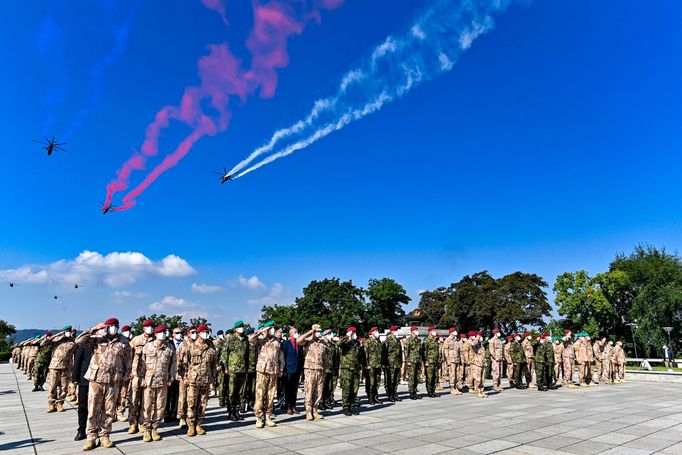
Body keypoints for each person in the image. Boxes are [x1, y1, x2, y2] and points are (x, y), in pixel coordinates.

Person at [76, 318, 132, 451]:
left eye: (114, 326)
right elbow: (78, 341)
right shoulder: (97, 338)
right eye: (110, 326)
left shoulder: (124, 342)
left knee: (109, 410)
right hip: (97, 379)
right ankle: (91, 437)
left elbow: (128, 361)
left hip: (114, 381)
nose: (112, 328)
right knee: (93, 409)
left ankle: (104, 436)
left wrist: (124, 377)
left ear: (118, 327)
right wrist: (94, 329)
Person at [186, 324, 217, 437]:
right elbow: (184, 363)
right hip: (193, 379)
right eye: (204, 331)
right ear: (199, 333)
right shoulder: (191, 346)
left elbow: (214, 363)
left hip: (206, 379)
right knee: (191, 403)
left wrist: (213, 377)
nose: (206, 334)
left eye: (207, 332)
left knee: (203, 403)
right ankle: (190, 425)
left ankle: (198, 424)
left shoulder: (211, 346)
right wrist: (185, 377)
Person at [252, 321, 284, 428]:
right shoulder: (260, 340)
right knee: (260, 395)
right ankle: (259, 418)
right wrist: (259, 332)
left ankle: (268, 416)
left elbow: (280, 356)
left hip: (273, 371)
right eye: (270, 328)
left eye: (273, 328)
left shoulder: (276, 341)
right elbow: (251, 340)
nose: (272, 329)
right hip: (262, 371)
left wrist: (281, 368)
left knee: (270, 395)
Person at [128, 319, 155, 434]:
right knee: (134, 400)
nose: (150, 328)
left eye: (151, 326)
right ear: (143, 328)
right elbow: (128, 355)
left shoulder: (156, 340)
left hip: (150, 376)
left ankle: (143, 423)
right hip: (136, 375)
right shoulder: (136, 340)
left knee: (146, 402)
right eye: (147, 326)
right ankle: (133, 423)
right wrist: (129, 371)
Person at [297, 324, 327, 420]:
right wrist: (310, 332)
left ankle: (315, 410)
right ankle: (309, 411)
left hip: (320, 369)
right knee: (309, 391)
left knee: (318, 392)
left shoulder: (322, 342)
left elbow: (325, 357)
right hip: (310, 370)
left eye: (319, 331)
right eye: (317, 331)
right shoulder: (307, 342)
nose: (319, 332)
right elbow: (299, 340)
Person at [222, 320, 249, 421]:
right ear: (235, 329)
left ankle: (237, 411)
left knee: (240, 392)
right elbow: (225, 354)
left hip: (242, 369)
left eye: (243, 327)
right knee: (232, 392)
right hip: (232, 369)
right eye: (240, 327)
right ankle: (231, 411)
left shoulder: (245, 339)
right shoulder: (230, 339)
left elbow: (247, 354)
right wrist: (225, 368)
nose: (242, 328)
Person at [45, 326, 76, 413]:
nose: (67, 332)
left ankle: (60, 404)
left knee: (64, 388)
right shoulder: (57, 340)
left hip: (66, 367)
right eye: (65, 331)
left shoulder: (73, 341)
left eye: (68, 331)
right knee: (52, 386)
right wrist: (57, 335)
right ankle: (51, 404)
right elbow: (43, 343)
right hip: (54, 366)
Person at [71, 335, 94, 441]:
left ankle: (94, 429)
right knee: (82, 406)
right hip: (84, 380)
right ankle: (81, 429)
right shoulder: (83, 347)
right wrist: (75, 378)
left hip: (99, 380)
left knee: (95, 407)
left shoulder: (102, 346)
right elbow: (77, 363)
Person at [337, 326, 362, 415]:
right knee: (346, 388)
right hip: (347, 369)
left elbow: (360, 355)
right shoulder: (346, 343)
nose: (355, 334)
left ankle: (352, 406)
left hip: (355, 368)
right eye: (353, 333)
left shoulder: (357, 343)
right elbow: (339, 343)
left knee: (354, 389)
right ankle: (345, 407)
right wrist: (347, 336)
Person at [281, 326, 304, 415]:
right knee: (288, 389)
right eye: (294, 332)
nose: (296, 334)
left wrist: (301, 369)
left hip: (297, 369)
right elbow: (283, 357)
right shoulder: (285, 343)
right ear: (290, 334)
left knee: (294, 389)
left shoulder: (299, 343)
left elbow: (301, 357)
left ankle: (293, 406)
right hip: (289, 370)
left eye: (297, 332)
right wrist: (284, 370)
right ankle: (288, 407)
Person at [176, 326, 195, 428]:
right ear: (188, 333)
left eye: (196, 332)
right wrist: (179, 374)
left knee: (192, 398)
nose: (194, 334)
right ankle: (182, 417)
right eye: (192, 332)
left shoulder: (197, 344)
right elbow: (178, 361)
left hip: (195, 376)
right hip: (184, 375)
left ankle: (190, 417)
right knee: (182, 397)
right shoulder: (183, 345)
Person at [164, 326, 183, 424]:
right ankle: (166, 414)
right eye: (177, 332)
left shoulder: (183, 344)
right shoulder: (168, 344)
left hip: (179, 373)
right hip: (169, 373)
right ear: (173, 334)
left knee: (177, 394)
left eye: (180, 332)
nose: (179, 334)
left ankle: (174, 413)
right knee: (168, 394)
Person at [116, 325, 133, 422]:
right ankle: (113, 413)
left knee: (123, 393)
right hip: (115, 372)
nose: (128, 332)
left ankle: (120, 412)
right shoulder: (119, 341)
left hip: (126, 372)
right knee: (113, 394)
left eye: (129, 331)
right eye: (126, 331)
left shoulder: (131, 341)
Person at [363, 326, 383, 404]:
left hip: (378, 365)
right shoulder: (368, 342)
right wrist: (366, 365)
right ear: (372, 332)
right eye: (376, 331)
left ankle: (375, 397)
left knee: (377, 382)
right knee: (370, 382)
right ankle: (370, 397)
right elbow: (365, 355)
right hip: (370, 366)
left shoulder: (378, 342)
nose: (377, 332)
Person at [383, 326, 403, 401]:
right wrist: (385, 363)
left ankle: (395, 393)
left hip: (397, 363)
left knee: (396, 379)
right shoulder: (387, 340)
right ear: (392, 331)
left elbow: (400, 352)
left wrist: (400, 361)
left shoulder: (397, 340)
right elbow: (385, 352)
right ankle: (390, 394)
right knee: (390, 380)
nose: (396, 331)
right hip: (390, 363)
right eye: (395, 330)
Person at [404, 325, 423, 400]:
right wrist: (407, 361)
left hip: (418, 361)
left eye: (417, 330)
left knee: (417, 377)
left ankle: (415, 391)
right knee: (412, 377)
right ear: (412, 331)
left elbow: (420, 351)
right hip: (412, 361)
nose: (417, 331)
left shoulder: (418, 340)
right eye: (415, 330)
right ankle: (411, 392)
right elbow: (406, 351)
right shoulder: (409, 340)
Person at [423, 326, 440, 398]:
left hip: (435, 361)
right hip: (429, 361)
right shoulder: (427, 340)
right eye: (433, 330)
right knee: (429, 377)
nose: (434, 331)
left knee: (435, 377)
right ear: (430, 332)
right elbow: (424, 352)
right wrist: (425, 361)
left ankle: (433, 390)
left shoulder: (435, 340)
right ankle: (429, 391)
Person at [469, 332, 487, 398]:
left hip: (482, 363)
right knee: (478, 378)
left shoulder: (481, 345)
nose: (481, 337)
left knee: (482, 378)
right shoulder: (475, 343)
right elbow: (473, 344)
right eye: (480, 336)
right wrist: (477, 337)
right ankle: (477, 391)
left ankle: (481, 391)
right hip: (477, 363)